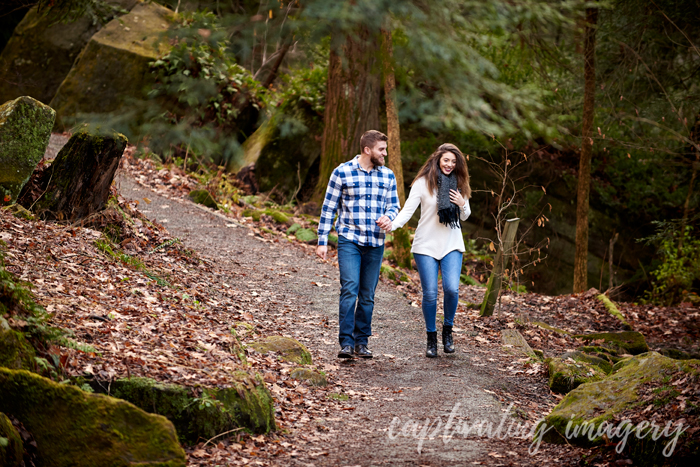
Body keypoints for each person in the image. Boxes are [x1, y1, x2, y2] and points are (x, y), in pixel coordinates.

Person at [316, 130, 400, 359]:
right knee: (349, 289)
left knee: (367, 295)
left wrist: (389, 217)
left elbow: (394, 206)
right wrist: (322, 240)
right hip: (349, 240)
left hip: (375, 242)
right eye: (381, 149)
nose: (385, 154)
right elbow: (328, 208)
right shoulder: (341, 172)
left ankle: (361, 342)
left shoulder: (388, 176)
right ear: (367, 150)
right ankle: (346, 342)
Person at [390, 143, 471, 358]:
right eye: (446, 160)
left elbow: (465, 216)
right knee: (431, 294)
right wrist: (392, 224)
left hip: (452, 243)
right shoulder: (422, 184)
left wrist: (462, 203)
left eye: (454, 162)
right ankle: (431, 337)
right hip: (425, 245)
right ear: (437, 159)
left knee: (452, 289)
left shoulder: (459, 183)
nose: (450, 165)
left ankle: (447, 331)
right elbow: (407, 211)